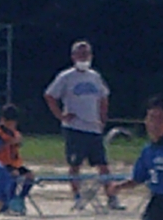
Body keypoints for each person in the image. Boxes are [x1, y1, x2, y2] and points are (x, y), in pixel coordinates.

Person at [44, 40, 124, 211]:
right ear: (73, 56)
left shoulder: (95, 76)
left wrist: (103, 118)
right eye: (80, 54)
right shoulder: (66, 77)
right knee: (75, 164)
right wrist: (60, 115)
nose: (83, 57)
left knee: (103, 165)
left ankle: (112, 197)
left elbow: (104, 96)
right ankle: (78, 197)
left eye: (86, 54)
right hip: (74, 127)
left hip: (93, 127)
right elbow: (50, 95)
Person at [0, 103, 34, 214]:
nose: (12, 125)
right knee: (14, 174)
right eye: (9, 123)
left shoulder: (15, 133)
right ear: (3, 120)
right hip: (0, 164)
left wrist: (18, 141)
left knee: (30, 175)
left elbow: (18, 145)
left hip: (14, 163)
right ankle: (9, 200)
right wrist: (10, 142)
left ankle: (20, 198)